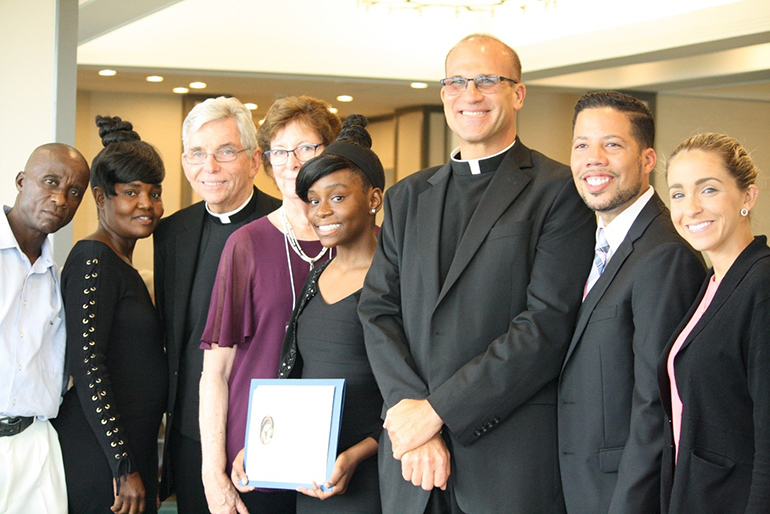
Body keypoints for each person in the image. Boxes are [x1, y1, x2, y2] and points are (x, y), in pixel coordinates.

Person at [358, 33, 596, 513]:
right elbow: (377, 310)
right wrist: (412, 415)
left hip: (505, 463)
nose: (471, 95)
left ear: (518, 93)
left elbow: (545, 327)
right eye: (457, 82)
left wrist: (437, 411)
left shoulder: (557, 192)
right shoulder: (407, 197)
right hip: (410, 466)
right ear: (444, 93)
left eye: (488, 80)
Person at [556, 91, 705, 513]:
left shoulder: (666, 255)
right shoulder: (586, 240)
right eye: (582, 145)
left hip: (619, 495)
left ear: (647, 159)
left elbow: (657, 406)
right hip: (575, 486)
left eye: (613, 144)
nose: (593, 159)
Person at [231, 114, 385, 513]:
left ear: (373, 199)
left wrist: (356, 456)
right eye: (313, 200)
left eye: (337, 197)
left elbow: (413, 390)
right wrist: (263, 444)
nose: (321, 212)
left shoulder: (398, 281)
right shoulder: (318, 273)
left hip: (373, 476)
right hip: (311, 478)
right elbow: (297, 372)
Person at [199, 95, 341, 513]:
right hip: (254, 455)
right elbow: (216, 373)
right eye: (280, 151)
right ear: (266, 161)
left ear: (329, 156)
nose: (293, 162)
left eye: (306, 148)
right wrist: (214, 475)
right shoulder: (246, 245)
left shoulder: (358, 244)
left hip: (335, 458)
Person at [154, 96, 281, 512]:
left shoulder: (285, 226)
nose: (209, 167)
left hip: (266, 429)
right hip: (192, 432)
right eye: (196, 153)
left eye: (226, 152)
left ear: (254, 160)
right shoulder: (172, 232)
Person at [51, 116, 167, 514]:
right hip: (101, 457)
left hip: (129, 449)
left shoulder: (120, 263)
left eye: (155, 192)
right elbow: (87, 367)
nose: (146, 205)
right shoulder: (92, 259)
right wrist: (122, 466)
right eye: (131, 192)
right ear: (101, 198)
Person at [659, 133, 769, 513]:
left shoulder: (762, 284)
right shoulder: (712, 282)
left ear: (747, 197)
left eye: (708, 190)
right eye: (677, 194)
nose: (690, 208)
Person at [0, 143, 90, 514]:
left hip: (36, 443)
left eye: (73, 192)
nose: (59, 199)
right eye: (49, 182)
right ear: (22, 181)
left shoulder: (59, 275)